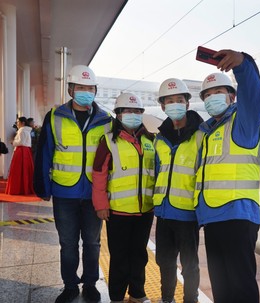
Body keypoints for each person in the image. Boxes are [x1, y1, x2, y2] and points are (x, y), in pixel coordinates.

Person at [33, 65, 112, 303]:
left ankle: (90, 284)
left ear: (95, 90)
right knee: (67, 243)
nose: (86, 92)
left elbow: (112, 159)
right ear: (70, 90)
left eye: (90, 88)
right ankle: (69, 285)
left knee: (92, 243)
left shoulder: (106, 120)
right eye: (81, 87)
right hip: (64, 191)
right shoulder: (55, 116)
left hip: (93, 193)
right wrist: (43, 187)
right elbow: (45, 152)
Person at [194, 49, 260, 303]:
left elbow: (255, 97)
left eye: (218, 93)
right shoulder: (209, 131)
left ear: (232, 96)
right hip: (213, 217)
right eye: (208, 95)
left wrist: (243, 64)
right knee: (221, 286)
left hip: (237, 215)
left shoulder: (243, 123)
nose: (212, 98)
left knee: (240, 286)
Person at [92, 92, 155, 303]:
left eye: (137, 111)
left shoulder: (150, 140)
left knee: (139, 255)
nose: (133, 115)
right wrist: (101, 204)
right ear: (118, 114)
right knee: (119, 257)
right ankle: (117, 297)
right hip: (118, 210)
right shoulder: (109, 140)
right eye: (128, 111)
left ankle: (137, 293)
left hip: (145, 210)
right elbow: (99, 174)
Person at [153, 78, 203, 303]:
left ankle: (190, 300)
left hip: (188, 213)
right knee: (164, 262)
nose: (175, 104)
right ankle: (167, 299)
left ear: (187, 104)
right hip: (164, 213)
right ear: (163, 107)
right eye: (169, 101)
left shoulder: (201, 135)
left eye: (179, 100)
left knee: (190, 265)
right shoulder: (159, 139)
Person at [5, 116, 35, 195]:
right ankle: (25, 188)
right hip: (26, 151)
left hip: (21, 151)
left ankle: (17, 189)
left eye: (18, 122)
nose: (17, 124)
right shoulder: (27, 130)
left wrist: (13, 142)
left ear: (23, 123)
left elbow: (21, 142)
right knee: (25, 171)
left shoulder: (22, 130)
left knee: (18, 170)